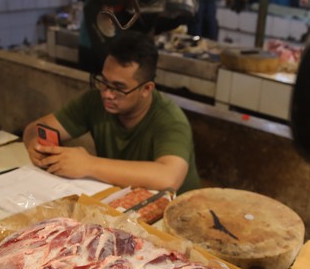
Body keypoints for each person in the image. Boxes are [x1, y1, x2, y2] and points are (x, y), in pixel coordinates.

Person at [24, 30, 201, 194]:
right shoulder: (95, 100)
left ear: (146, 89)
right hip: (123, 201)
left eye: (119, 88)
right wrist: (35, 144)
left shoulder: (170, 120)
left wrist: (89, 164)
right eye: (104, 81)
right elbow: (37, 127)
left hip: (174, 215)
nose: (107, 94)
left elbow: (168, 177)